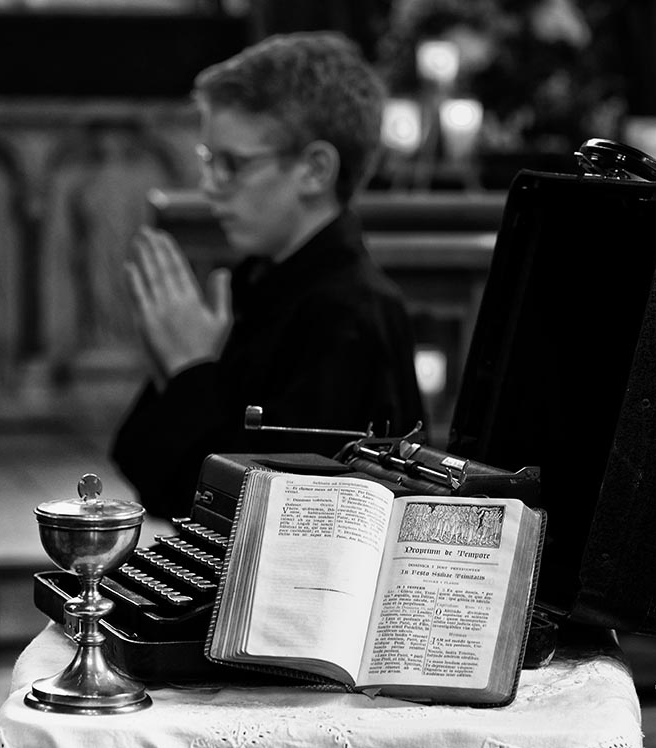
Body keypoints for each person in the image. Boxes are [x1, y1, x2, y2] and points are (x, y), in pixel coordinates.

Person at [111, 31, 426, 519]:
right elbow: (147, 473)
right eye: (208, 160)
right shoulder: (258, 280)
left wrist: (191, 373)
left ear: (315, 170)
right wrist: (176, 368)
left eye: (232, 164)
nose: (209, 185)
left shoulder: (351, 315)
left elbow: (278, 519)